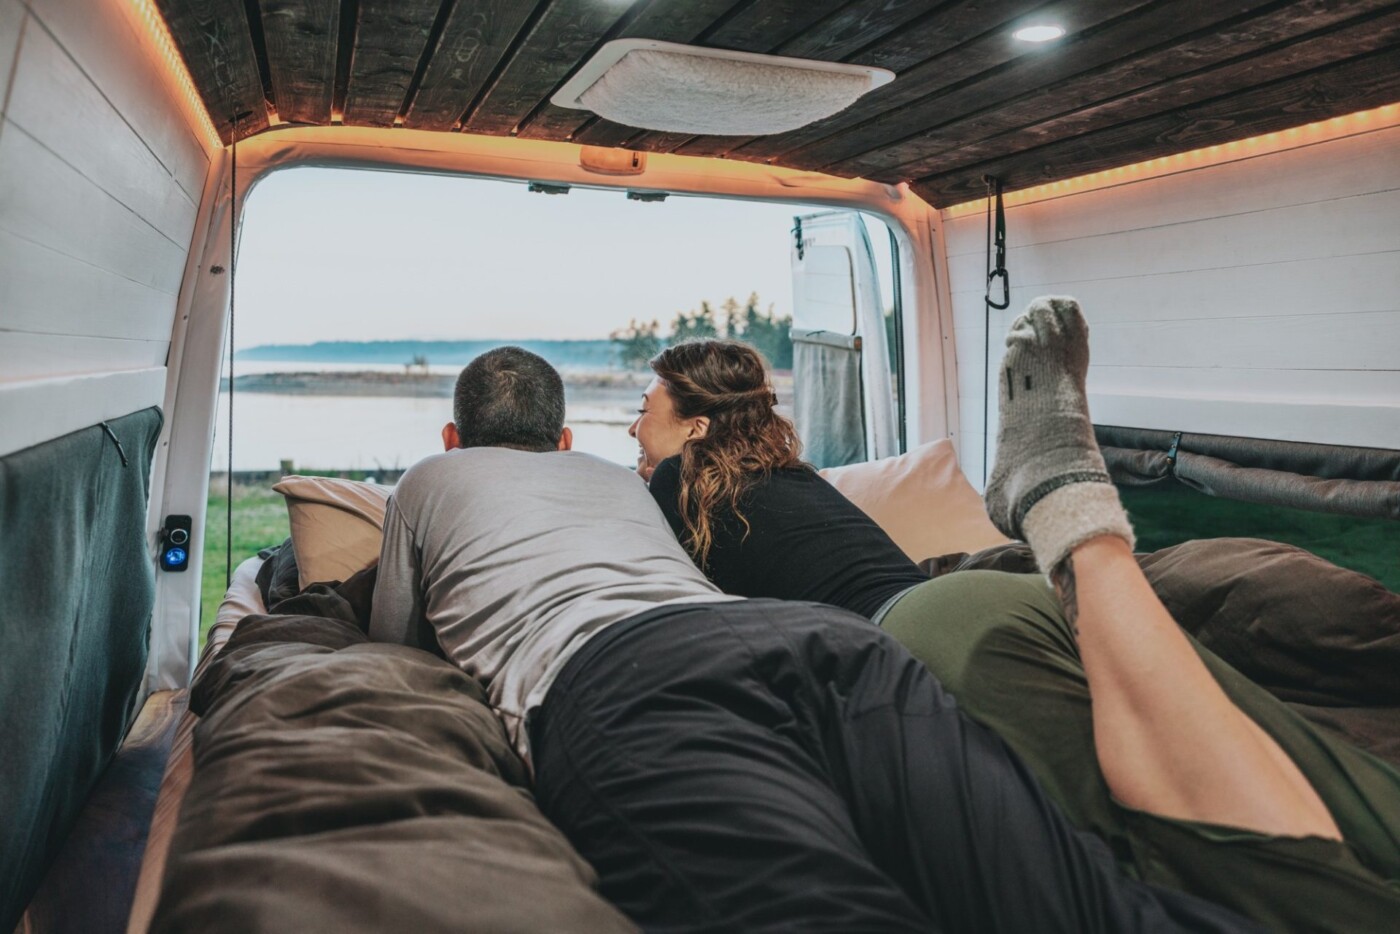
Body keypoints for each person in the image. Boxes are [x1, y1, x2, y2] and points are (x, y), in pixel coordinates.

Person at [368, 345, 1254, 933]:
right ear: (563, 439)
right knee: (1080, 904)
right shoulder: (615, 479)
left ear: (453, 436)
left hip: (622, 681)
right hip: (821, 644)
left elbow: (396, 640)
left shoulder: (429, 477)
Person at [637, 305, 1400, 932]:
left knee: (1165, 846)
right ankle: (1071, 527)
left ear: (695, 428)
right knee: (1283, 762)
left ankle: (1066, 511)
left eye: (646, 411)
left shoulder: (673, 482)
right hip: (1006, 600)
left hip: (927, 633)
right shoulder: (793, 477)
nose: (638, 429)